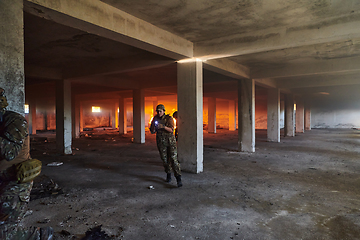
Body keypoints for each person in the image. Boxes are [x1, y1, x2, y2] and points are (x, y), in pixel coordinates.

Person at [0, 88, 53, 239]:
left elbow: (9, 153)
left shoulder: (15, 121)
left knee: (5, 234)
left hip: (16, 182)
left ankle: (39, 234)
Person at [150, 104, 182, 187]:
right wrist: (154, 127)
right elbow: (152, 131)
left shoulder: (169, 118)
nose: (159, 112)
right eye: (157, 111)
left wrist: (163, 127)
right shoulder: (155, 118)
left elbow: (171, 130)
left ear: (164, 111)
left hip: (170, 142)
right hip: (161, 142)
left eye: (160, 111)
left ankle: (178, 178)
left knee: (173, 160)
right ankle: (168, 174)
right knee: (165, 160)